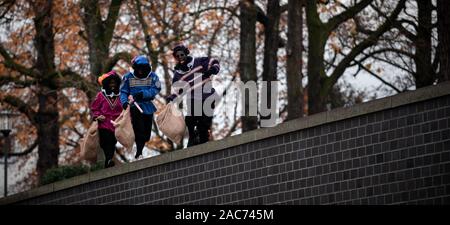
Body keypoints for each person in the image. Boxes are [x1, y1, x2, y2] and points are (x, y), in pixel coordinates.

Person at [166, 44, 220, 147]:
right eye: (178, 56)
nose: (180, 57)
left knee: (204, 123)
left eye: (182, 54)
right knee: (190, 119)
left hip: (208, 96)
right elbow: (177, 90)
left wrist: (212, 70)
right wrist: (172, 98)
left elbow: (214, 62)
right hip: (193, 100)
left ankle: (202, 137)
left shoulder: (199, 62)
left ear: (186, 53)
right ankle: (192, 135)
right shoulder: (178, 74)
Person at [120, 55, 161, 160]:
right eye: (139, 68)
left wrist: (143, 94)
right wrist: (124, 102)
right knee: (139, 129)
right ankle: (139, 153)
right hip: (134, 106)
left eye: (144, 68)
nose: (141, 71)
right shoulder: (127, 77)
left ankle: (140, 149)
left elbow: (156, 88)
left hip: (147, 106)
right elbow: (123, 91)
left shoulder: (153, 76)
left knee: (146, 134)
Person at [91, 70, 123, 168]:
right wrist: (97, 116)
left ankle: (108, 161)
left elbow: (125, 110)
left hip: (116, 124)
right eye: (110, 83)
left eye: (114, 83)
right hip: (104, 123)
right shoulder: (100, 95)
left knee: (112, 142)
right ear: (106, 84)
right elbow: (94, 108)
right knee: (106, 142)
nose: (112, 85)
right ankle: (109, 160)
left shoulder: (121, 96)